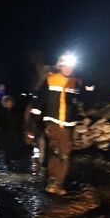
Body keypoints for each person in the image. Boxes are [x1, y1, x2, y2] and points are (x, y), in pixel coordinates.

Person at [34, 52, 86, 195]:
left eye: (71, 66)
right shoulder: (51, 80)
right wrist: (33, 122)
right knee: (63, 155)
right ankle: (57, 184)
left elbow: (79, 102)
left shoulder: (75, 82)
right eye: (65, 65)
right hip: (55, 124)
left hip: (68, 125)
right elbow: (39, 101)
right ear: (60, 66)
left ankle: (52, 183)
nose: (68, 68)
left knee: (56, 153)